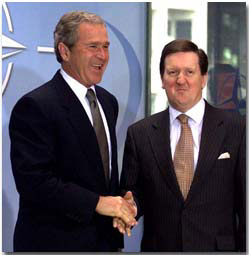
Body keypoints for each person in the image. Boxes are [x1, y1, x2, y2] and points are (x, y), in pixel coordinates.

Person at [9, 11, 136, 252]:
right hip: (55, 244)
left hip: (105, 244)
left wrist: (122, 201)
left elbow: (99, 174)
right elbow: (34, 183)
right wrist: (99, 203)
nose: (102, 56)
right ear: (64, 51)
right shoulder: (36, 106)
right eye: (93, 47)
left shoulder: (108, 103)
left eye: (106, 46)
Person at [117, 39, 245, 252]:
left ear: (204, 78)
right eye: (172, 72)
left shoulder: (237, 129)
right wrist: (130, 206)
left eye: (189, 72)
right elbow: (133, 193)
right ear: (162, 79)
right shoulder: (140, 133)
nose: (181, 80)